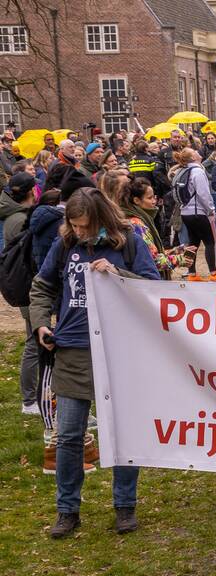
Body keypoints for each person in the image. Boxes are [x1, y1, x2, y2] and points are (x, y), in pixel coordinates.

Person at [30, 187, 160, 538]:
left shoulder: (130, 243)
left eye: (85, 226)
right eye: (74, 225)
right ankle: (67, 510)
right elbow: (42, 286)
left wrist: (118, 275)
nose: (80, 232)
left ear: (102, 218)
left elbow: (153, 288)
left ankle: (125, 506)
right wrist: (41, 322)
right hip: (72, 350)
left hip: (120, 349)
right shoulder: (65, 244)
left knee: (123, 432)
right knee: (69, 435)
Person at [1, 172, 40, 414]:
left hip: (28, 286)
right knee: (34, 343)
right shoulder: (20, 219)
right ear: (30, 192)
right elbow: (26, 258)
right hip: (28, 287)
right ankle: (29, 400)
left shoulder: (18, 215)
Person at [121, 177, 196, 279]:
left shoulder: (141, 219)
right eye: (149, 198)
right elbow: (152, 260)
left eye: (154, 197)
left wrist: (177, 250)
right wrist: (178, 259)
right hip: (147, 281)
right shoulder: (138, 225)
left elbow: (152, 253)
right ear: (137, 200)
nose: (154, 201)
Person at [174, 148, 216, 280]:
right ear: (193, 158)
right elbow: (203, 194)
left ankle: (192, 273)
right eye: (196, 152)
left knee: (193, 242)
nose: (199, 153)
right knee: (209, 242)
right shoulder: (198, 171)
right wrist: (210, 209)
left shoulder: (183, 170)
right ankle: (213, 273)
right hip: (198, 212)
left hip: (185, 212)